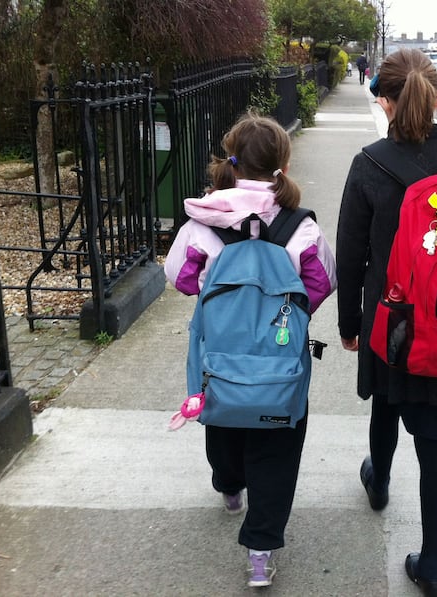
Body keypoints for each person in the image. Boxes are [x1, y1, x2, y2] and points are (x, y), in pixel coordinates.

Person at [336, 48, 437, 597]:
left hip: (390, 318)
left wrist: (350, 321)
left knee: (385, 402)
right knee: (433, 441)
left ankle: (377, 480)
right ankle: (431, 564)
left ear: (386, 99)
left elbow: (351, 252)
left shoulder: (368, 164)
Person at [164, 111, 337, 589]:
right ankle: (260, 552)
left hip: (219, 357)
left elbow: (179, 277)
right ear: (281, 163)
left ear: (232, 162)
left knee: (222, 423)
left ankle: (228, 485)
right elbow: (320, 282)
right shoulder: (299, 226)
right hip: (279, 361)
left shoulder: (204, 220)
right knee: (278, 450)